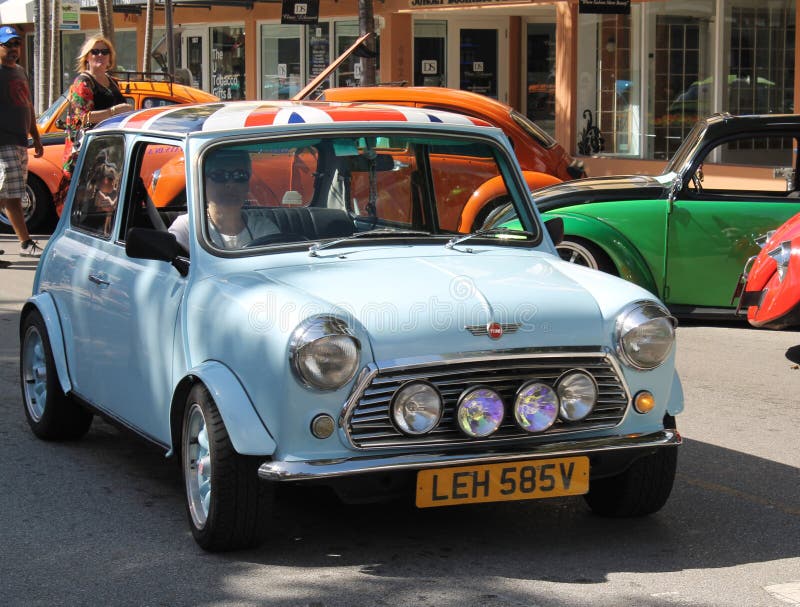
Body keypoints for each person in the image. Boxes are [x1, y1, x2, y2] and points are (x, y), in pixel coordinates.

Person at [168, 149, 279, 250]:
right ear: (203, 183)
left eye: (240, 175)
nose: (230, 184)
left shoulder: (264, 229)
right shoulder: (187, 228)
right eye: (219, 175)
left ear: (248, 185)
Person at [0, 25, 44, 261]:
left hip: (19, 142)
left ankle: (25, 243)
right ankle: (25, 243)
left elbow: (27, 106)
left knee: (9, 196)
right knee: (8, 195)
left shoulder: (20, 72)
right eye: (8, 44)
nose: (14, 49)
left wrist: (35, 137)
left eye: (16, 44)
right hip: (2, 143)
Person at [62, 34, 130, 178]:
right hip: (89, 154)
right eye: (95, 52)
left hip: (111, 151)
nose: (100, 55)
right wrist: (113, 112)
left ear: (110, 57)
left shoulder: (112, 82)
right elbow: (79, 119)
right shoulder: (83, 82)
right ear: (87, 57)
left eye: (105, 52)